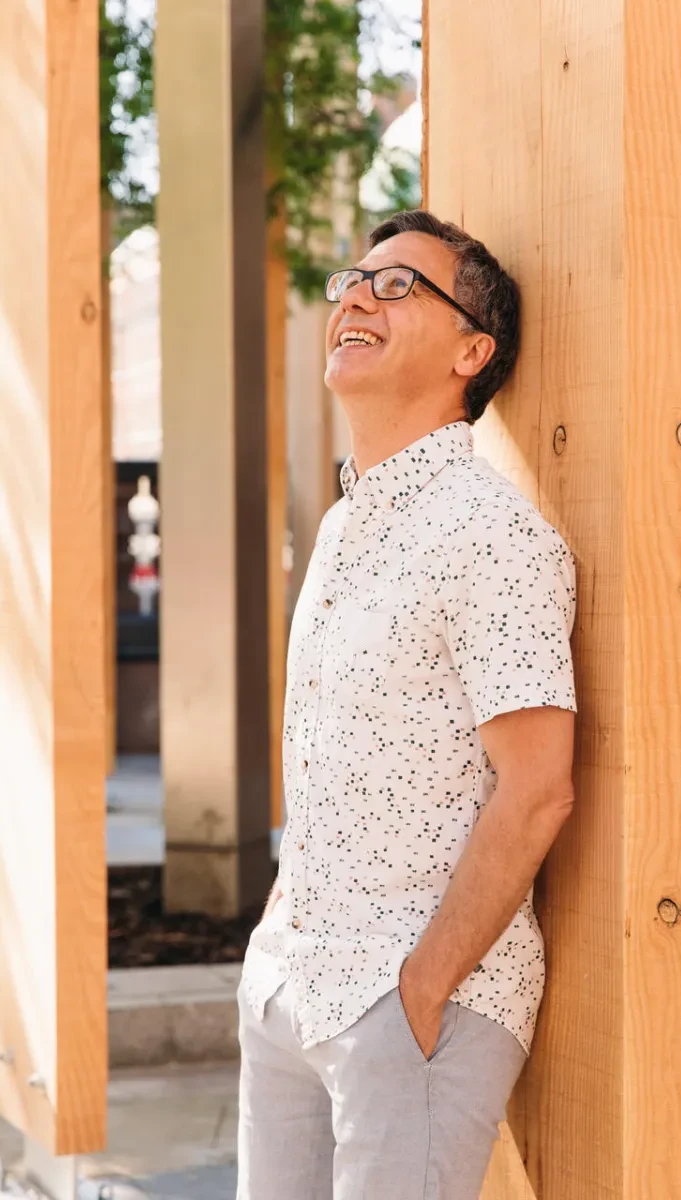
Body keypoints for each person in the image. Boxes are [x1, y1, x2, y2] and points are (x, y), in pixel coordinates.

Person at [237, 210, 577, 1200]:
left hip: (408, 1004)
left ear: (472, 350)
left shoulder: (492, 536)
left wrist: (420, 990)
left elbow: (538, 789)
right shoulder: (342, 528)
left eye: (396, 287)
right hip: (290, 980)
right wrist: (274, 946)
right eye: (353, 280)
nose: (354, 297)